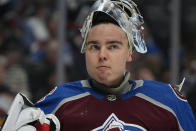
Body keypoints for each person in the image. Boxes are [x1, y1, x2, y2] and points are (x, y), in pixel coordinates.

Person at [1, 0, 196, 131]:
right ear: (85, 51)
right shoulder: (57, 103)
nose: (102, 55)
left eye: (113, 46)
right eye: (94, 46)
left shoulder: (170, 103)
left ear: (129, 52)